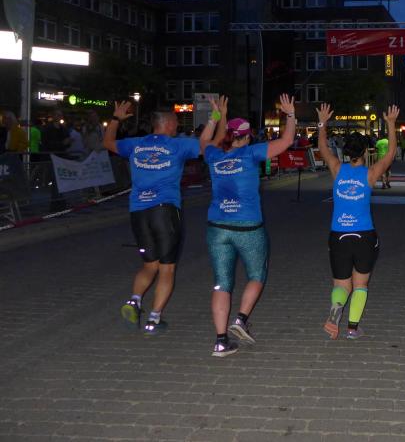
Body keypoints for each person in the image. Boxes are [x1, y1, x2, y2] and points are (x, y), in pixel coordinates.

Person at [199, 94, 296, 357]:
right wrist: (290, 114)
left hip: (217, 226)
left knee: (221, 283)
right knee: (256, 275)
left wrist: (215, 116)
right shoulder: (252, 153)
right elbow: (287, 140)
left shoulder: (213, 155)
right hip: (248, 227)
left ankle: (220, 341)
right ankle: (240, 319)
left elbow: (204, 141)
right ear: (247, 137)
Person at [103, 102, 201, 335]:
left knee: (149, 265)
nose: (178, 126)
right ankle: (154, 319)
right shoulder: (178, 145)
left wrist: (115, 119)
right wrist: (218, 119)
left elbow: (107, 143)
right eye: (175, 122)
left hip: (139, 212)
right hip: (165, 211)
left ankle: (135, 300)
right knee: (167, 268)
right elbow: (210, 145)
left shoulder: (136, 144)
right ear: (167, 124)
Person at [315, 102, 399, 340]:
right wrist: (391, 124)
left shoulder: (337, 169)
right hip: (364, 235)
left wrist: (322, 122)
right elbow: (391, 154)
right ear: (365, 152)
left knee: (341, 285)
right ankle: (352, 328)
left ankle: (335, 311)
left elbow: (322, 147)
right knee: (360, 285)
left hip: (338, 235)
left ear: (345, 152)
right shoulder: (370, 174)